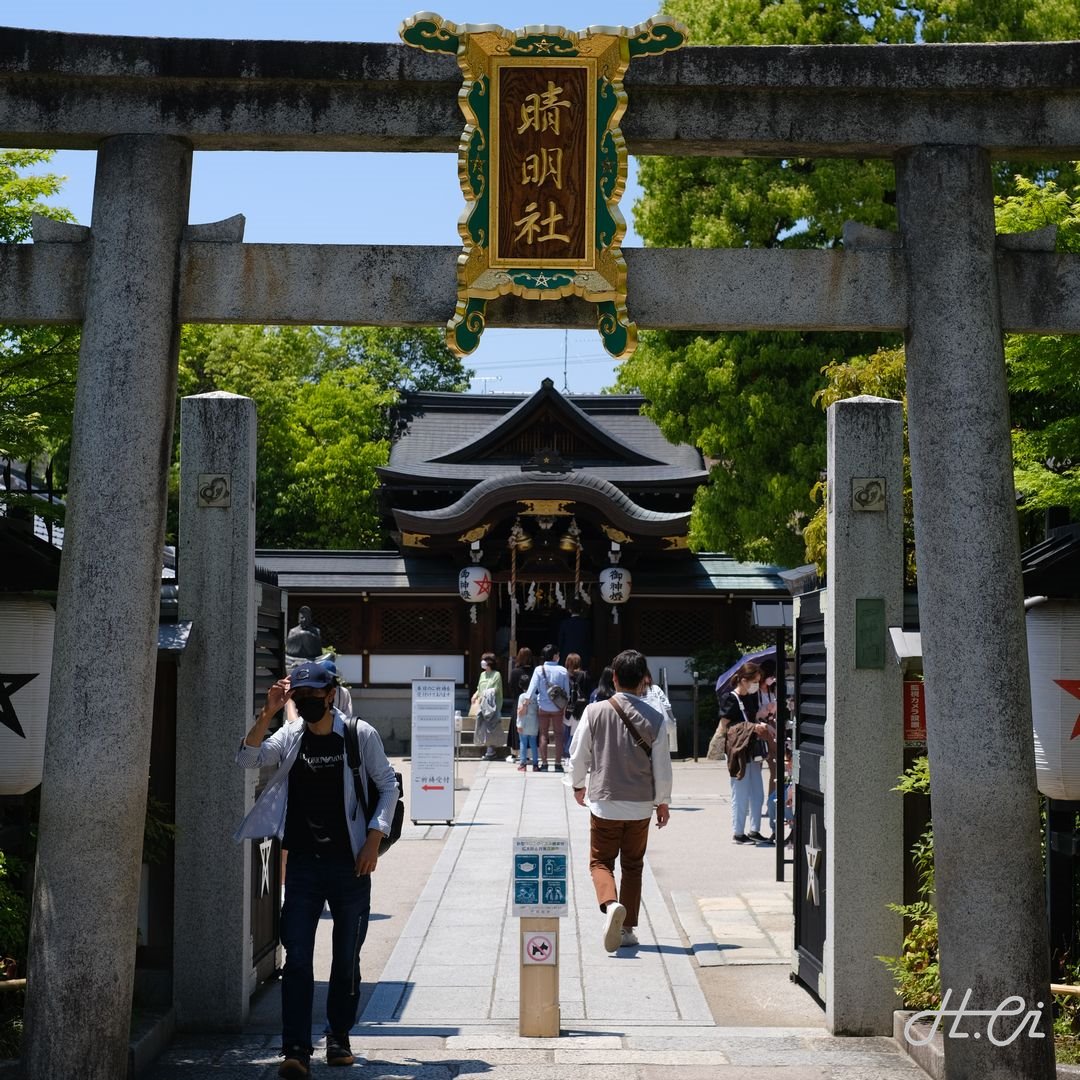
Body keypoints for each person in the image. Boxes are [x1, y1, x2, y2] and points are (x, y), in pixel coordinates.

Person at [235, 661, 399, 1079]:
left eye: (314, 695)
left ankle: (338, 1036)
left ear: (330, 695)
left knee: (346, 957)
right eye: (301, 696)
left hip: (351, 864)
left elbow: (388, 786)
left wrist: (374, 840)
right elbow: (248, 758)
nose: (308, 702)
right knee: (298, 958)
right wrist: (269, 712)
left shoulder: (359, 735)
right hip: (304, 865)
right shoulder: (292, 735)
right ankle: (295, 1048)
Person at [568, 648, 672, 952]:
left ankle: (610, 903)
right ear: (643, 681)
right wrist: (662, 801)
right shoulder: (656, 718)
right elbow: (662, 766)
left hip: (605, 800)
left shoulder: (594, 711)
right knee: (633, 865)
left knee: (601, 861)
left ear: (614, 677)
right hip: (639, 804)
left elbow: (579, 754)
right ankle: (627, 930)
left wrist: (577, 785)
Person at [719, 661, 772, 845]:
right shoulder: (729, 698)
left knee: (757, 793)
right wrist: (752, 727)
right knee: (740, 793)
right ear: (743, 680)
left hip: (753, 749)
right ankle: (738, 833)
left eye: (758, 681)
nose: (756, 685)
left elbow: (752, 718)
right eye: (754, 681)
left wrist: (761, 722)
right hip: (738, 751)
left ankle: (754, 830)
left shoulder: (751, 697)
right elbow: (726, 727)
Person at [525, 644, 571, 773]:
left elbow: (532, 688)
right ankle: (558, 764)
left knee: (543, 734)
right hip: (558, 707)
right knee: (559, 735)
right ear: (555, 656)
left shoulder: (539, 670)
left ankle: (544, 764)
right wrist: (565, 706)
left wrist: (526, 703)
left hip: (543, 707)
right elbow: (567, 691)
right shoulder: (563, 671)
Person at [470, 651, 504, 761]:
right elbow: (479, 688)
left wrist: (484, 694)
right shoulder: (482, 675)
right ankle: (489, 749)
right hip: (482, 705)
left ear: (489, 662)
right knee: (483, 727)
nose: (482, 662)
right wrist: (475, 695)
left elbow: (496, 689)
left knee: (491, 727)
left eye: (484, 660)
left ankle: (491, 750)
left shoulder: (496, 674)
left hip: (492, 706)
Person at [506, 647, 535, 763]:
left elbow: (511, 687)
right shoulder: (534, 672)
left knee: (516, 726)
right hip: (531, 703)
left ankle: (515, 753)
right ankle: (528, 754)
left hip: (517, 702)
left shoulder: (515, 672)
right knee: (531, 727)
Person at [563, 652, 590, 765]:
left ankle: (566, 754)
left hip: (567, 706)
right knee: (576, 732)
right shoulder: (585, 675)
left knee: (566, 731)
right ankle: (572, 754)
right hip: (580, 707)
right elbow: (587, 692)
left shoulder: (565, 675)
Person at [557, 600, 592, 671]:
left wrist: (560, 653)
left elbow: (560, 641)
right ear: (581, 610)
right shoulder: (586, 624)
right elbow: (589, 641)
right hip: (582, 654)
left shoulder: (564, 623)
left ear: (570, 610)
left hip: (566, 654)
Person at [516, 689, 540, 771]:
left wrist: (518, 724)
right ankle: (535, 764)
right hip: (534, 723)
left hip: (524, 723)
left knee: (523, 743)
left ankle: (523, 764)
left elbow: (520, 712)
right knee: (533, 744)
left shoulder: (522, 696)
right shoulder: (536, 697)